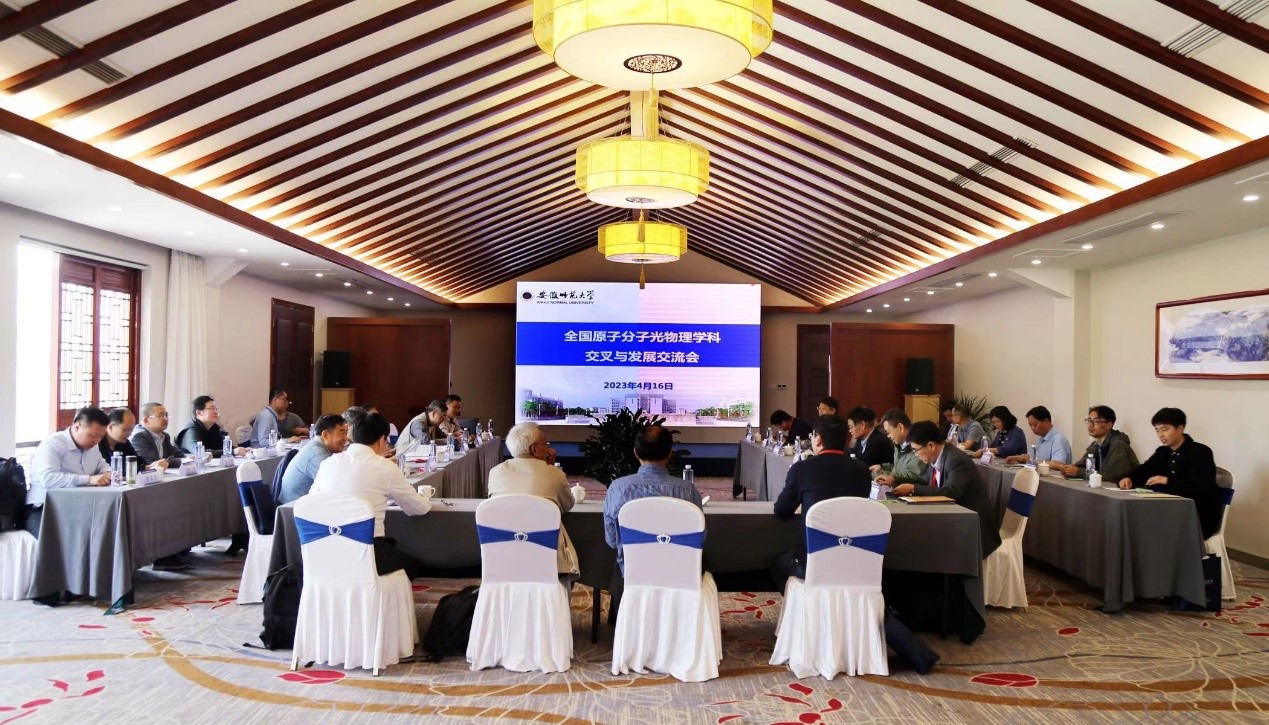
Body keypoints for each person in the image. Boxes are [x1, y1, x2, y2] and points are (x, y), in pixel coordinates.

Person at [309, 412, 432, 578]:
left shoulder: (328, 463)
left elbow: (311, 502)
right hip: (368, 553)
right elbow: (418, 508)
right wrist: (425, 499)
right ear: (382, 440)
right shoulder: (385, 467)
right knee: (416, 565)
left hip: (327, 551)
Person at [772, 415, 872, 581]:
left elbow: (781, 510)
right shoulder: (862, 470)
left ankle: (800, 597)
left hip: (811, 563)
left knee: (778, 565)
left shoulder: (802, 469)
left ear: (818, 439)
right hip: (853, 557)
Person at [889, 421, 1000, 558]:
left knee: (919, 540)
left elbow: (950, 493)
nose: (915, 454)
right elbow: (924, 481)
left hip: (973, 527)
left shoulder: (956, 459)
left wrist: (913, 488)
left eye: (916, 450)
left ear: (931, 446)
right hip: (951, 518)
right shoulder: (936, 457)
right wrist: (895, 481)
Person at [603, 426, 702, 575]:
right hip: (679, 575)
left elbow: (612, 540)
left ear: (636, 453)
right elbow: (698, 539)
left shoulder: (617, 489)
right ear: (669, 453)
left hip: (632, 575)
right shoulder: (688, 491)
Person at [487, 422, 578, 578]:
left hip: (503, 553)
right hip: (547, 555)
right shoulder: (554, 474)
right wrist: (551, 468)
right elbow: (566, 505)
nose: (549, 448)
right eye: (546, 443)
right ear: (535, 449)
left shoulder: (495, 472)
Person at [1119, 408, 1221, 539]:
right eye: (1157, 430)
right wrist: (1129, 478)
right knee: (1130, 521)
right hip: (1167, 510)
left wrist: (1168, 480)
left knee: (1144, 526)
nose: (1160, 435)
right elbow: (1145, 469)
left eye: (1165, 429)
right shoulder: (1162, 452)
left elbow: (1204, 485)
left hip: (1197, 514)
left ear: (1180, 428)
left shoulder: (1201, 452)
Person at [27, 407, 111, 538]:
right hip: (44, 507)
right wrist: (88, 479)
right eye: (92, 435)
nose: (96, 441)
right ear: (77, 427)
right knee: (57, 541)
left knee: (104, 530)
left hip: (76, 506)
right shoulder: (53, 444)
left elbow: (103, 467)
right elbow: (48, 479)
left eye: (100, 436)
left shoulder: (93, 447)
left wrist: (107, 474)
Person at [278, 414, 350, 504]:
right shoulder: (317, 454)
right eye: (342, 433)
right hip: (292, 507)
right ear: (325, 435)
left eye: (346, 433)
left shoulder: (319, 447)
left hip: (305, 504)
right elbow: (334, 486)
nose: (345, 438)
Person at [1059, 405, 1140, 482]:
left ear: (1109, 425)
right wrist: (1068, 469)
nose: (1090, 425)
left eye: (1096, 421)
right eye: (1089, 421)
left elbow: (1111, 477)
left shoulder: (1118, 445)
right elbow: (1084, 467)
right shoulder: (1095, 445)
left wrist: (1078, 472)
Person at [176, 395, 247, 458]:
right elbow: (200, 453)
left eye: (216, 409)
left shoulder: (213, 428)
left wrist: (243, 450)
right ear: (199, 413)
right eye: (212, 408)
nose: (216, 412)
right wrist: (233, 452)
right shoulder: (191, 431)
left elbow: (223, 446)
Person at [872, 409, 927, 487]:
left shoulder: (918, 445)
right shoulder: (899, 445)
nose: (888, 436)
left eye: (888, 432)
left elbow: (914, 475)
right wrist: (881, 467)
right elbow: (898, 468)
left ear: (900, 427)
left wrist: (881, 474)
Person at [1005, 406, 1073, 465]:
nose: (1032, 428)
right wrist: (1018, 458)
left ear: (1046, 421)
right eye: (1030, 425)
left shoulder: (1058, 438)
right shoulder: (1039, 437)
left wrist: (1036, 463)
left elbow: (1058, 463)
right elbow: (1031, 457)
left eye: (1035, 425)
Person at [129, 402, 184, 468]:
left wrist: (189, 458)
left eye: (166, 415)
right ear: (146, 420)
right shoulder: (139, 437)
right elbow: (152, 462)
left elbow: (178, 455)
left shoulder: (164, 436)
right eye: (161, 416)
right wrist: (181, 461)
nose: (165, 418)